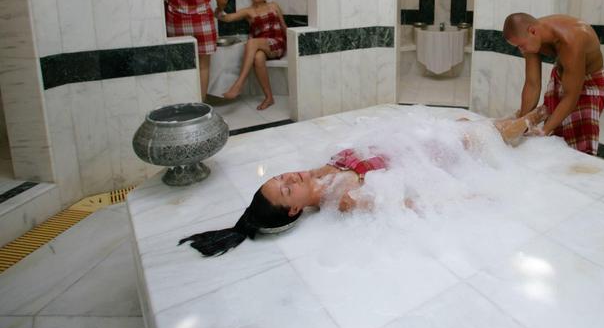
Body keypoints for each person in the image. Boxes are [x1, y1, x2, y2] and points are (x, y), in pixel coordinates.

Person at [178, 114, 531, 257]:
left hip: (416, 141)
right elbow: (401, 203)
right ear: (296, 208)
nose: (289, 178)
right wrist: (467, 198)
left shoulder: (318, 172)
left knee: (467, 123)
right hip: (431, 153)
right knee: (486, 132)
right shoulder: (342, 198)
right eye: (286, 189)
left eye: (280, 177)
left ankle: (532, 123)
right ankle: (533, 123)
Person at [502, 12, 604, 155]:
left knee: (580, 144)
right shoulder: (530, 37)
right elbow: (532, 83)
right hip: (562, 74)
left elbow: (571, 96)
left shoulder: (572, 38)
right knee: (556, 135)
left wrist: (543, 131)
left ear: (532, 31)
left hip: (589, 81)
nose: (521, 50)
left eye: (521, 46)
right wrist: (523, 123)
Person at [163, 0, 227, 100]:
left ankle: (182, 102)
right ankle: (201, 104)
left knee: (180, 65)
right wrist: (219, 10)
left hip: (175, 25)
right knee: (203, 67)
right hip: (202, 26)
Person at [217, 0, 288, 109]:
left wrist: (293, 47)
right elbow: (228, 18)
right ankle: (269, 97)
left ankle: (239, 84)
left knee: (252, 42)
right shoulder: (248, 11)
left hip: (277, 43)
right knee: (258, 58)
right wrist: (219, 9)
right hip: (262, 46)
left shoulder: (273, 6)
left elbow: (283, 26)